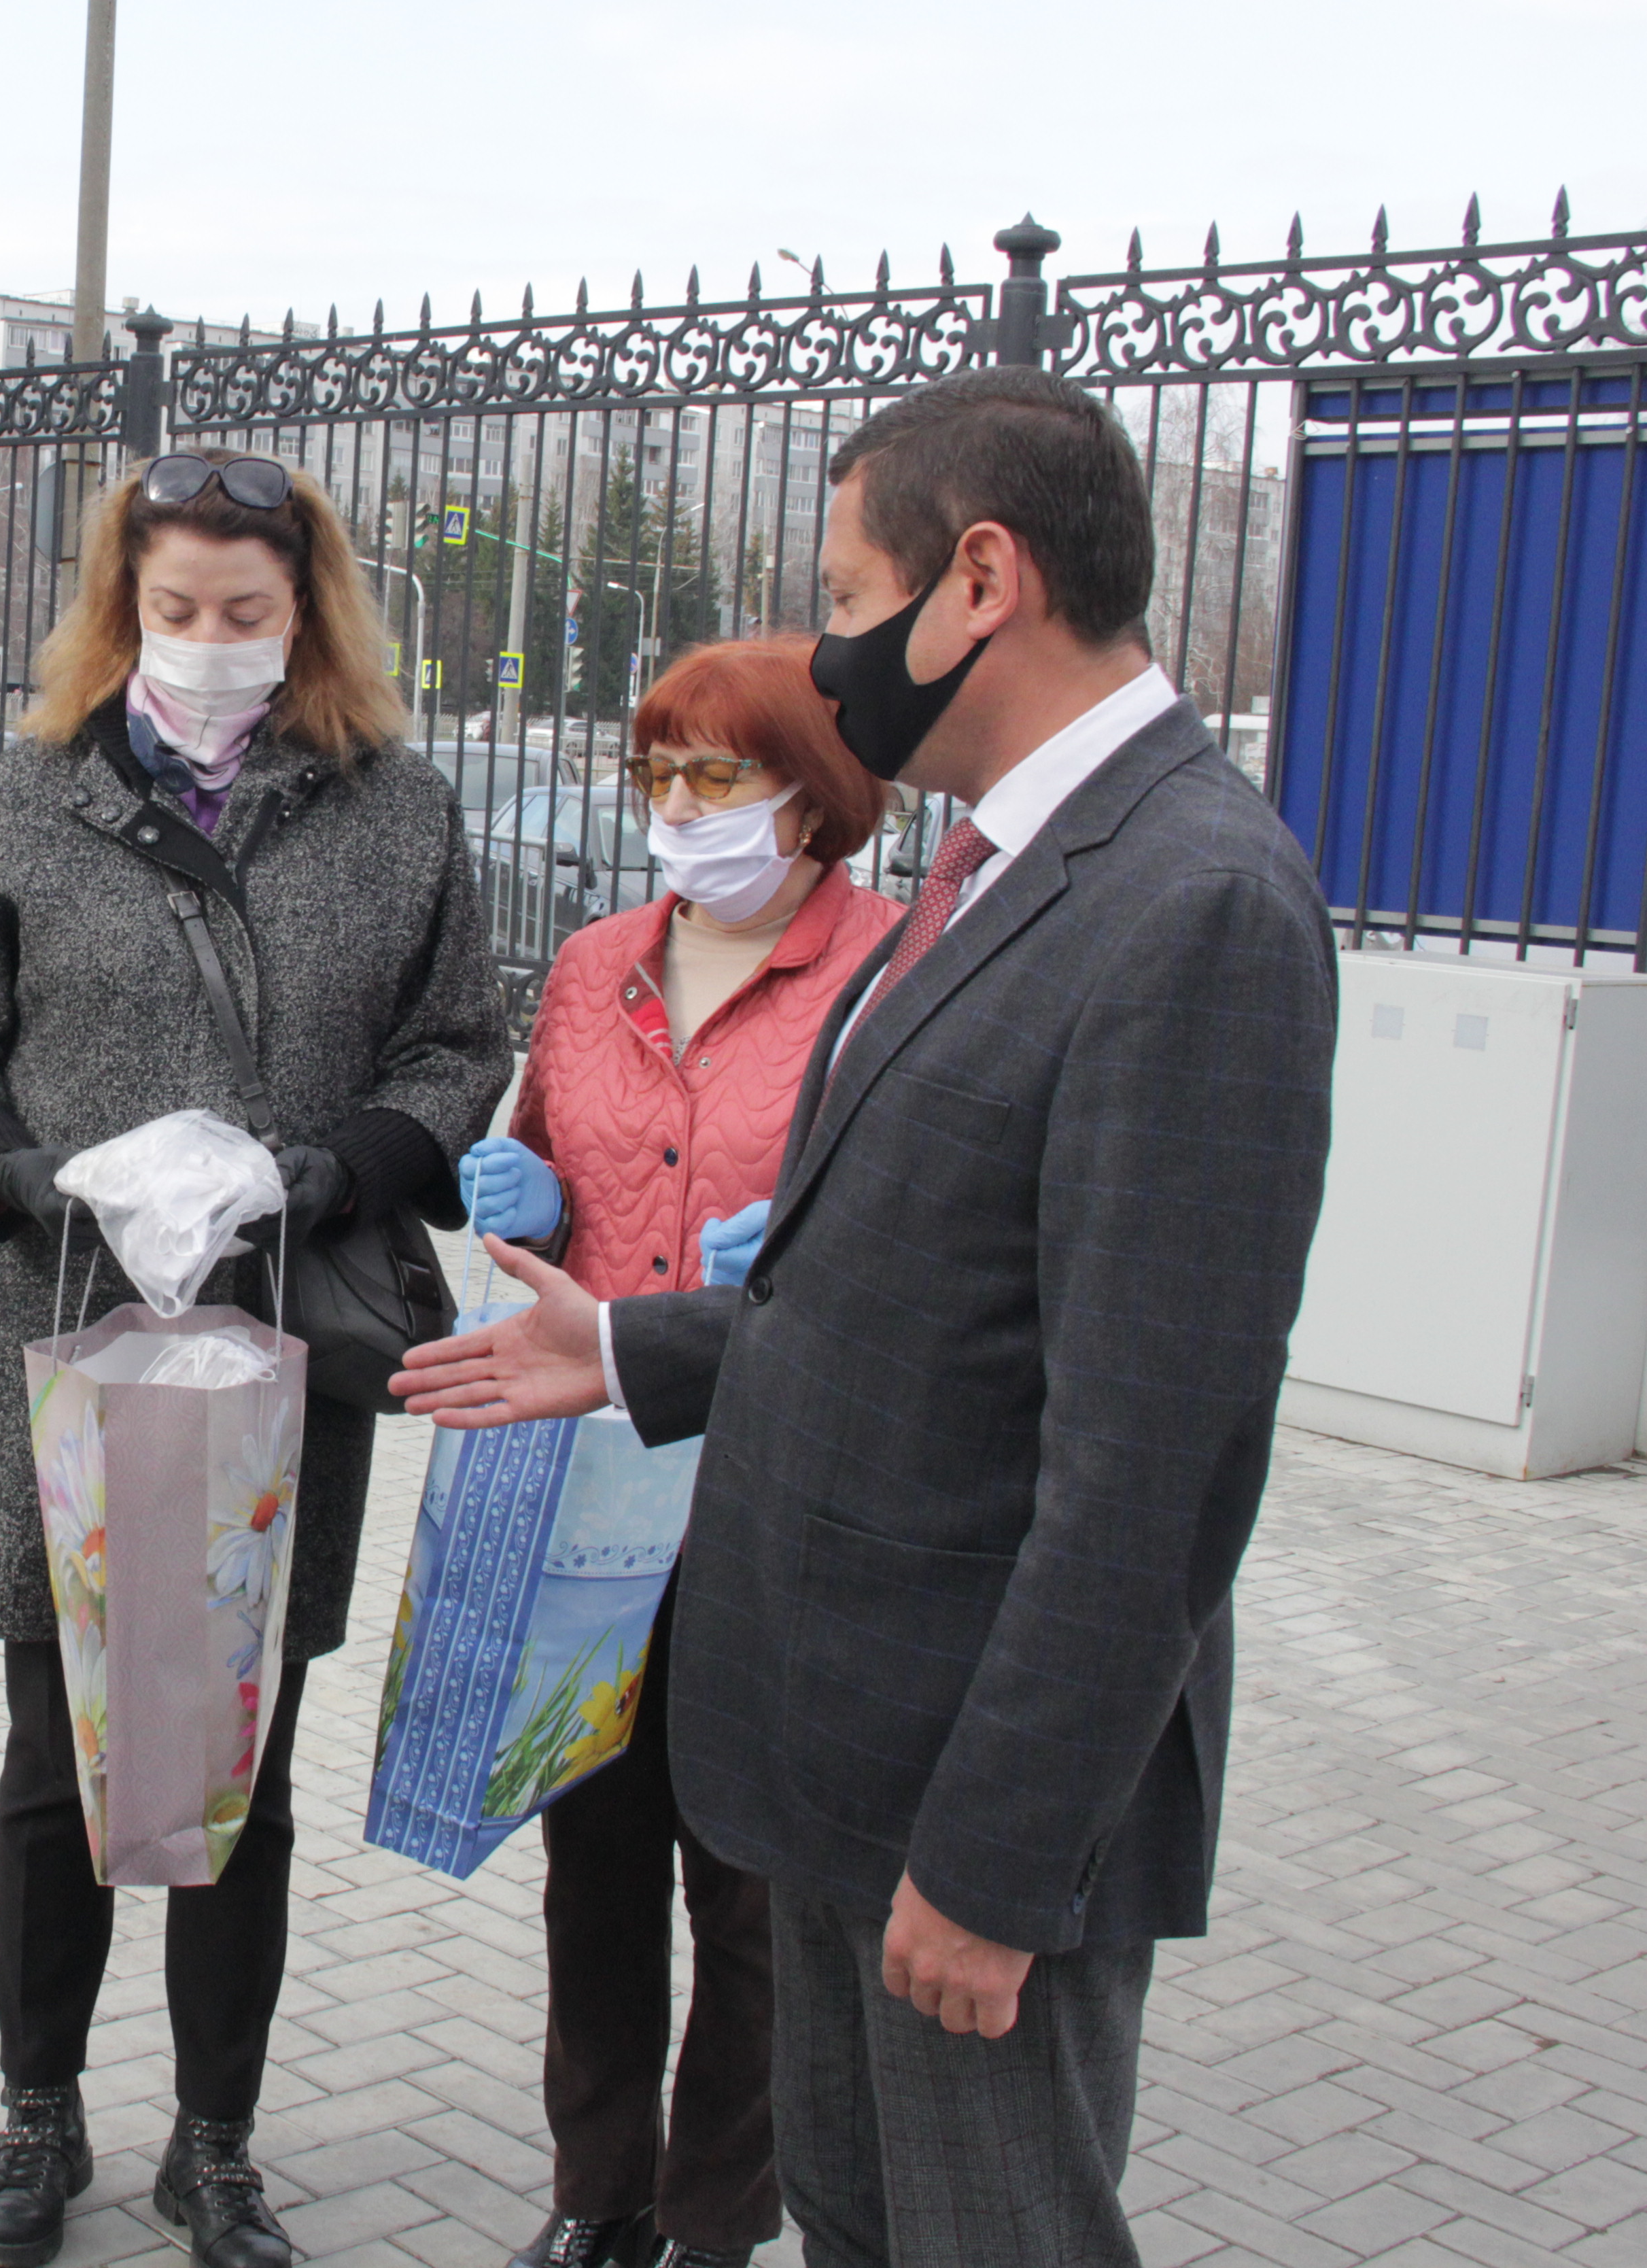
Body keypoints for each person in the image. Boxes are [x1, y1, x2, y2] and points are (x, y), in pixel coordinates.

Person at [394, 368, 1338, 2268]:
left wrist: (998, 1863)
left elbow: (1153, 1467)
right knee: (858, 2224)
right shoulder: (992, 871)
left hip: (964, 1815)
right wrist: (625, 1348)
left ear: (980, 580)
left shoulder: (1192, 901)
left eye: (845, 597)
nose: (830, 655)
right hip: (836, 1765)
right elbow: (897, 1306)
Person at [0, 450, 511, 2268]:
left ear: (308, 612)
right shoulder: (36, 792)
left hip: (273, 1340)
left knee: (243, 1757)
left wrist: (331, 1169)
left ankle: (213, 2143)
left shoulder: (399, 813)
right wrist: (12, 1169)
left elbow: (460, 1047)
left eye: (248, 611)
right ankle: (39, 2114)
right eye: (175, 610)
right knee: (54, 1761)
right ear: (121, 608)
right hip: (65, 1329)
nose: (211, 642)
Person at [455, 635, 901, 2268]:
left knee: (753, 1894)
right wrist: (521, 1194)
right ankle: (600, 2196)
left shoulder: (893, 970)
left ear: (815, 795)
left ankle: (720, 2215)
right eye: (658, 776)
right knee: (594, 1859)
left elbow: (934, 1222)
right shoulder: (596, 964)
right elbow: (540, 1158)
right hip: (596, 1472)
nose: (681, 811)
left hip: (776, 1483)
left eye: (720, 777)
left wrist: (824, 1242)